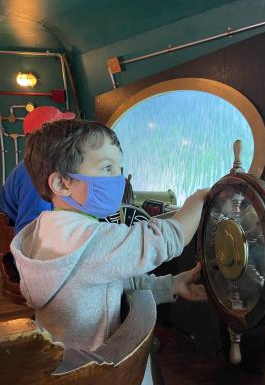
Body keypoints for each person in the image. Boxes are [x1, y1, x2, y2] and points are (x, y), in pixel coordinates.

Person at [11, 119, 208, 384]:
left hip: (66, 366)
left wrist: (170, 285)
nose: (118, 178)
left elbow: (110, 281)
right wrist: (199, 200)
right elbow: (166, 240)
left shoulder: (49, 230)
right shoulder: (85, 238)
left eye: (120, 167)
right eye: (107, 167)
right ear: (61, 184)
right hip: (99, 372)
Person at [0, 106, 75, 233]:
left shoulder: (47, 165)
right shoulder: (34, 171)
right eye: (62, 129)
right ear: (43, 138)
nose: (69, 134)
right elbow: (30, 230)